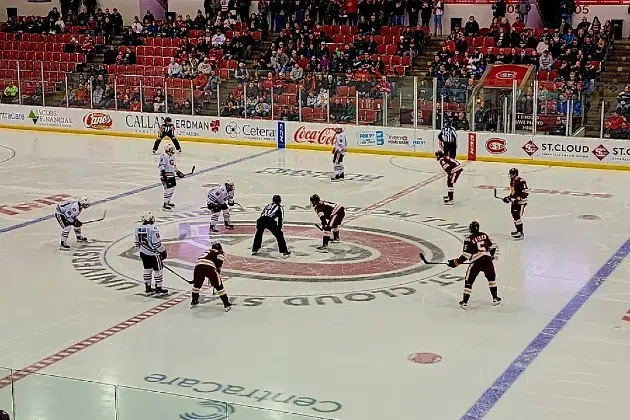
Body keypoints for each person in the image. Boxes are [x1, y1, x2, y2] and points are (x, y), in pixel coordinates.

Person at [447, 221, 501, 310]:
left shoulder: (468, 239)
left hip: (476, 263)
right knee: (491, 279)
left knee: (469, 281)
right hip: (487, 261)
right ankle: (495, 298)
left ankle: (465, 302)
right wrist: (490, 256)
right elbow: (492, 247)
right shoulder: (484, 235)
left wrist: (456, 262)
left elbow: (466, 255)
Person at [191, 242, 232, 311]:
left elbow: (201, 261)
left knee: (196, 285)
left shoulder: (207, 251)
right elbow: (218, 267)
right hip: (209, 268)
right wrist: (215, 276)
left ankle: (194, 300)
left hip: (198, 267)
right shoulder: (220, 253)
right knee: (219, 286)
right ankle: (226, 303)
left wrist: (195, 279)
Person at [134, 211, 168, 295]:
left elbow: (136, 243)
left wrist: (141, 250)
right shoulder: (153, 229)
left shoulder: (137, 228)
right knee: (158, 270)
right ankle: (158, 287)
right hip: (154, 254)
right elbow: (157, 243)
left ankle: (148, 287)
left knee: (147, 269)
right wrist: (162, 251)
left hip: (143, 253)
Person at [503, 168, 529, 240]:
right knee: (514, 215)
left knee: (517, 216)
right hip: (515, 201)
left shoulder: (521, 181)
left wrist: (517, 198)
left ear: (515, 174)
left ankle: (521, 233)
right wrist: (509, 198)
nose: (510, 175)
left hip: (521, 202)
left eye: (511, 174)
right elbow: (513, 193)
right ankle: (518, 231)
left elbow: (525, 192)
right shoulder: (512, 181)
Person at [159, 143, 185, 211]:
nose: (172, 151)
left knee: (172, 189)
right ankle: (165, 204)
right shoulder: (164, 156)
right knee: (168, 190)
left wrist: (178, 172)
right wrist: (164, 175)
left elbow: (174, 166)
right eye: (171, 149)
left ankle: (168, 201)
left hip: (171, 175)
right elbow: (161, 166)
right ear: (167, 150)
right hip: (166, 175)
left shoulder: (172, 157)